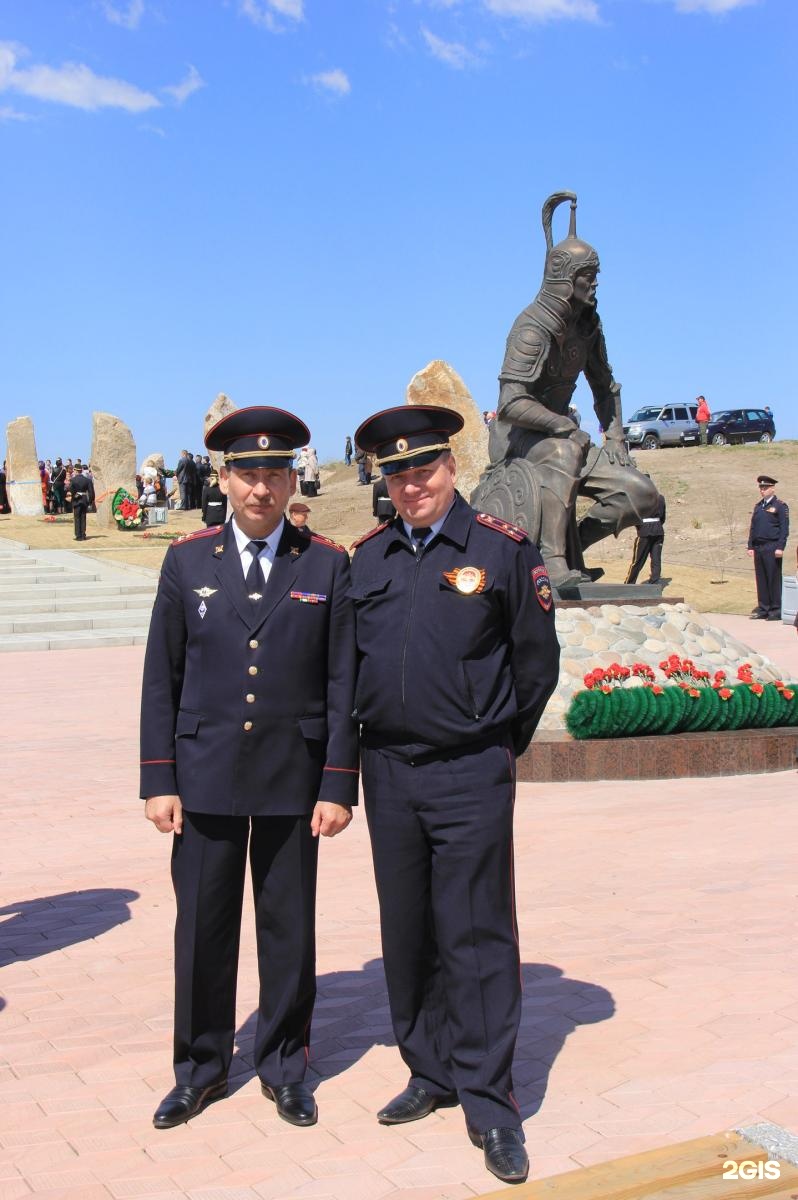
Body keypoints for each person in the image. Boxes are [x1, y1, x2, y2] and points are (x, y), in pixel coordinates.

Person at [349, 405, 560, 1186]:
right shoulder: (365, 561)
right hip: (390, 773)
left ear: (453, 466)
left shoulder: (500, 551)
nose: (411, 484)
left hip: (471, 770)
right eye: (395, 473)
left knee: (475, 934)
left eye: (425, 467)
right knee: (406, 933)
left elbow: (535, 666)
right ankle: (431, 1072)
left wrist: (497, 742)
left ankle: (491, 1102)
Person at [141, 406, 358, 1132]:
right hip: (202, 777)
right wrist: (158, 778)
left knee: (288, 929)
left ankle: (286, 1066)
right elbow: (160, 679)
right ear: (223, 477)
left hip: (294, 781)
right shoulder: (186, 560)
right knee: (202, 930)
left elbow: (340, 685)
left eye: (275, 472)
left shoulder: (326, 563)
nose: (261, 488)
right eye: (247, 473)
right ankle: (199, 1068)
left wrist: (336, 784)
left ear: (293, 477)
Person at [473, 191, 659, 588]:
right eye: (586, 278)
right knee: (564, 450)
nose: (594, 285)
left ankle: (574, 546)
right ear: (565, 280)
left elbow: (606, 387)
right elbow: (510, 403)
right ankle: (551, 559)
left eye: (594, 277)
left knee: (640, 493)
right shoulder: (531, 328)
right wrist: (561, 426)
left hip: (563, 435)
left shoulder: (589, 325)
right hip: (518, 439)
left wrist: (615, 437)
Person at [748, 475, 789, 620]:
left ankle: (776, 610)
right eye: (761, 488)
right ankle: (763, 608)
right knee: (761, 578)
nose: (762, 490)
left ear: (772, 488)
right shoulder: (758, 506)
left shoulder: (780, 506)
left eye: (765, 488)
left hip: (772, 546)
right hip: (759, 546)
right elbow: (753, 527)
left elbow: (784, 529)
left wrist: (780, 547)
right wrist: (750, 545)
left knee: (773, 577)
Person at [624, 491, 666, 584]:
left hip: (644, 531)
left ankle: (629, 583)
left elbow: (633, 516)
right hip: (658, 530)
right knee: (656, 559)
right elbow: (663, 517)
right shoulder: (660, 497)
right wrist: (656, 525)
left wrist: (640, 527)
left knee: (637, 561)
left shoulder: (638, 498)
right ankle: (654, 583)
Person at [66, 463, 94, 541]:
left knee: (77, 518)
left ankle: (78, 535)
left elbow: (71, 490)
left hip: (76, 499)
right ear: (81, 471)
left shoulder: (73, 480)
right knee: (83, 517)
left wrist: (72, 498)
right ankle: (83, 535)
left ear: (75, 470)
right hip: (84, 500)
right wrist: (90, 501)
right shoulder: (87, 480)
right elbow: (91, 492)